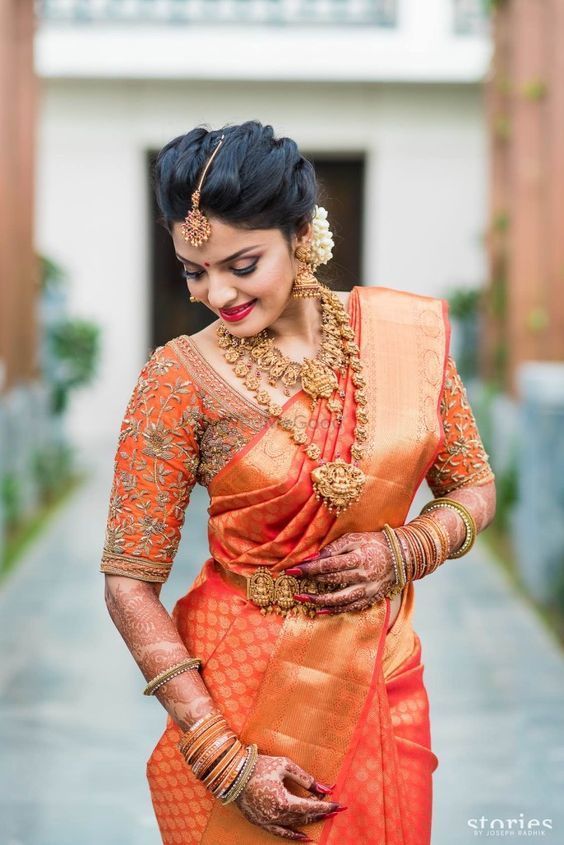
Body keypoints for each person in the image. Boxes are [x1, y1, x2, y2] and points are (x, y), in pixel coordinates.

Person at [101, 120, 496, 845]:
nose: (215, 292)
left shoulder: (403, 340)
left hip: (380, 672)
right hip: (237, 702)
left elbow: (474, 486)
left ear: (301, 233)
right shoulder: (177, 380)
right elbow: (129, 582)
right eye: (194, 270)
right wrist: (222, 756)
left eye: (241, 263)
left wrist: (405, 549)